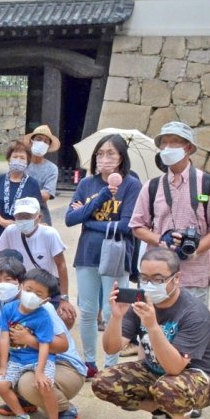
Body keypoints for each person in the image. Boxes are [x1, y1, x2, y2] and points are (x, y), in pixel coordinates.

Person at [93, 247, 210, 419]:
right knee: (104, 382)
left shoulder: (194, 314)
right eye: (143, 278)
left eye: (157, 279)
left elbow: (174, 368)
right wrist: (116, 316)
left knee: (168, 387)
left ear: (177, 278)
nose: (148, 285)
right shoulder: (140, 304)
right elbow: (111, 348)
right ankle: (162, 415)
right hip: (157, 371)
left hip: (202, 378)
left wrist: (153, 326)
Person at [130, 121, 210, 306]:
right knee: (154, 328)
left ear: (189, 147)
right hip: (157, 275)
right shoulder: (152, 186)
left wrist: (193, 248)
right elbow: (137, 226)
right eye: (164, 143)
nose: (168, 147)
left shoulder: (209, 184)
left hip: (195, 273)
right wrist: (160, 240)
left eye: (175, 142)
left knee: (192, 328)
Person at [66, 133, 142, 377]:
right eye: (100, 153)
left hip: (118, 255)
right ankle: (89, 362)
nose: (104, 158)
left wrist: (89, 220)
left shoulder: (131, 184)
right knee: (88, 311)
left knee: (112, 312)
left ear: (121, 158)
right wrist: (99, 199)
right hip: (87, 254)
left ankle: (111, 364)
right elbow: (70, 219)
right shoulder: (87, 185)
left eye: (111, 153)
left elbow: (127, 225)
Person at [0, 256, 86, 419]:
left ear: (19, 283)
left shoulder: (43, 309)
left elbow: (62, 345)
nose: (2, 285)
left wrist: (29, 340)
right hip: (21, 358)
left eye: (8, 279)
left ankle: (65, 409)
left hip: (62, 363)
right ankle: (25, 403)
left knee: (28, 383)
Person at [0, 268, 65, 419]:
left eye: (39, 293)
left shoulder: (43, 316)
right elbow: (4, 338)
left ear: (46, 300)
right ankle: (22, 416)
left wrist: (40, 372)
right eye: (29, 289)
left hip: (39, 359)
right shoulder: (9, 309)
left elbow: (44, 346)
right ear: (21, 287)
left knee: (45, 386)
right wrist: (3, 366)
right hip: (16, 359)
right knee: (1, 384)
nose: (31, 295)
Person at [0, 197, 76, 328]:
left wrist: (64, 298)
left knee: (66, 316)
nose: (23, 220)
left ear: (39, 217)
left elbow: (61, 265)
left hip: (47, 285)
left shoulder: (49, 234)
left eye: (27, 216)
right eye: (19, 216)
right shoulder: (10, 231)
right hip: (21, 286)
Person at [0, 140, 43, 253]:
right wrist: (2, 221)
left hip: (22, 232)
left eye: (22, 158)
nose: (18, 160)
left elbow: (36, 212)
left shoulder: (33, 184)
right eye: (15, 156)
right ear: (9, 159)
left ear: (27, 161)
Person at [23, 125, 60, 225]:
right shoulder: (22, 162)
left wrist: (21, 190)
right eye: (39, 139)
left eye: (46, 141)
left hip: (40, 212)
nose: (42, 143)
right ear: (31, 142)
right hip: (17, 209)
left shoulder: (52, 169)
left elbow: (46, 195)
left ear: (48, 147)